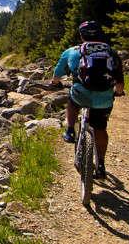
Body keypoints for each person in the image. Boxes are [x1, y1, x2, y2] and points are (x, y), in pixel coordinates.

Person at [51, 20, 124, 179]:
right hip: (104, 99)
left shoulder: (72, 51)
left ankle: (70, 130)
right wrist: (118, 92)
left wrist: (55, 82)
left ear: (81, 35)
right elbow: (119, 82)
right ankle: (101, 165)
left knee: (72, 100)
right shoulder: (111, 52)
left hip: (81, 94)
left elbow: (58, 73)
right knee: (100, 128)